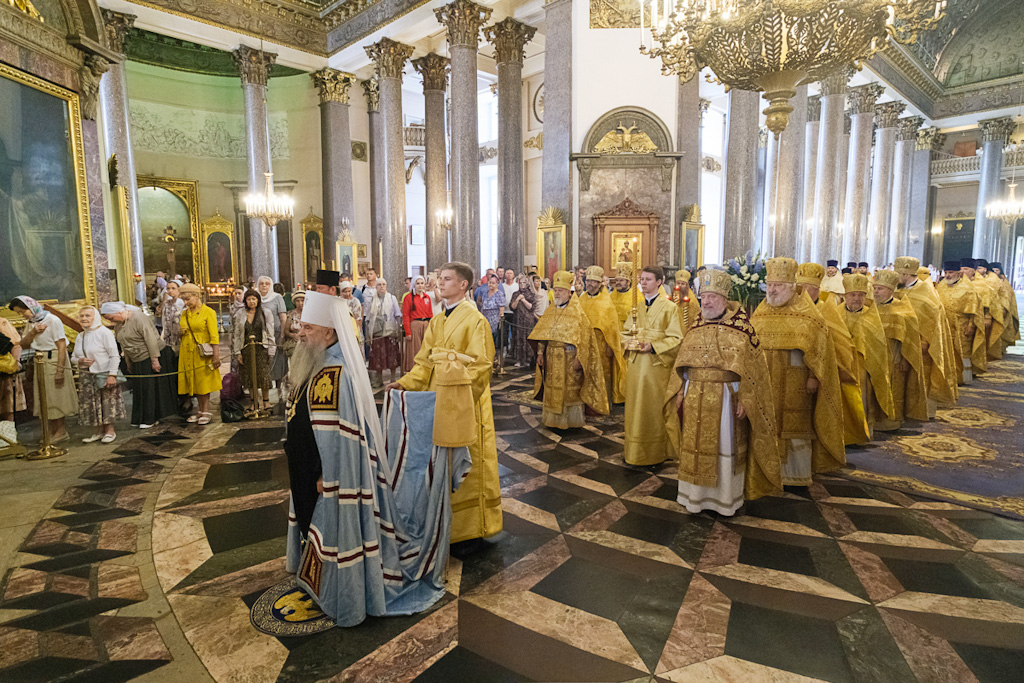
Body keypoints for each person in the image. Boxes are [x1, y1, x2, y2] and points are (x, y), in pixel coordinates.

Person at [284, 291, 457, 626]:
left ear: (329, 333)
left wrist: (328, 477)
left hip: (326, 480)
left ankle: (340, 591)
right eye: (299, 325)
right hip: (305, 472)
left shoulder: (337, 374)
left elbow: (342, 441)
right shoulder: (314, 361)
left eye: (307, 326)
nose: (299, 332)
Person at [390, 262, 502, 543]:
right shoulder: (437, 321)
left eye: (448, 279)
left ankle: (470, 529)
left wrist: (455, 395)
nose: (440, 283)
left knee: (468, 462)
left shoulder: (475, 320)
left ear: (463, 285)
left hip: (463, 404)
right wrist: (405, 383)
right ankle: (442, 524)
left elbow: (481, 366)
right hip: (436, 402)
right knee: (438, 462)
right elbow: (424, 362)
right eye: (440, 278)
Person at [664, 269, 782, 515]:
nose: (706, 302)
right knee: (694, 448)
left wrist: (746, 399)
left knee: (723, 447)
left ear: (724, 299)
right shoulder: (695, 326)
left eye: (712, 297)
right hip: (695, 393)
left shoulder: (742, 329)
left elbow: (754, 371)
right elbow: (683, 364)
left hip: (727, 397)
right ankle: (693, 497)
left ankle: (724, 501)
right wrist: (680, 391)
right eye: (703, 296)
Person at [751, 258, 845, 487]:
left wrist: (814, 377)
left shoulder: (809, 313)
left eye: (778, 285)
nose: (772, 290)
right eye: (770, 284)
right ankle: (766, 468)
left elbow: (820, 348)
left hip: (797, 380)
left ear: (792, 287)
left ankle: (795, 475)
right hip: (766, 380)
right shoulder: (761, 312)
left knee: (795, 426)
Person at [796, 263, 869, 445]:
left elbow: (840, 344)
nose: (803, 293)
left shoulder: (827, 311)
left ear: (817, 289)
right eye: (800, 288)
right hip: (796, 371)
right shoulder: (794, 309)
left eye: (808, 288)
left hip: (825, 371)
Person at [529, 271, 609, 429]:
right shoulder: (551, 310)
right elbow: (543, 334)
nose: (557, 293)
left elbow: (585, 339)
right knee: (552, 390)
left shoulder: (577, 312)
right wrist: (540, 352)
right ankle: (553, 420)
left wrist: (580, 358)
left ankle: (570, 422)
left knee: (569, 392)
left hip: (569, 358)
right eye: (555, 290)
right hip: (552, 356)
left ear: (569, 292)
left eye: (560, 290)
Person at [622, 266, 683, 466]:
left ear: (659, 281)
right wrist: (628, 343)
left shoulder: (670, 308)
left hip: (656, 369)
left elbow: (676, 338)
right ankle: (633, 451)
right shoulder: (636, 307)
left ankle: (656, 452)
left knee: (654, 410)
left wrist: (654, 346)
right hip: (636, 366)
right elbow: (624, 333)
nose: (643, 282)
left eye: (648, 279)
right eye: (641, 279)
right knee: (634, 410)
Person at [893, 256, 957, 415]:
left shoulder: (926, 291)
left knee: (922, 378)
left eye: (897, 273)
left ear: (906, 274)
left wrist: (926, 341)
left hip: (921, 343)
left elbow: (933, 319)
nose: (895, 276)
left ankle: (924, 411)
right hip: (900, 341)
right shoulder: (897, 289)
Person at [100, 301, 178, 429]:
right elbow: (124, 344)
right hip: (137, 360)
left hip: (151, 356)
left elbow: (150, 338)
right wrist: (129, 362)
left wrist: (154, 360)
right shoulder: (119, 324)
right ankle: (140, 417)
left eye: (111, 318)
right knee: (139, 390)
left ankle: (150, 418)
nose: (111, 321)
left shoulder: (139, 318)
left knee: (149, 389)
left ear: (118, 312)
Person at [9, 296, 77, 442]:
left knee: (56, 396)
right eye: (19, 313)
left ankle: (61, 430)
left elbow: (61, 345)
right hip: (40, 361)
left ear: (30, 307)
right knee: (44, 397)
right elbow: (24, 344)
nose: (22, 315)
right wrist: (33, 332)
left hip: (53, 358)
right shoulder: (31, 323)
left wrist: (60, 370)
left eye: (22, 311)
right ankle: (51, 430)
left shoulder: (52, 320)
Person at [840, 274, 895, 440]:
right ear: (845, 296)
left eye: (861, 295)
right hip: (841, 367)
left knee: (862, 401)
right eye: (853, 295)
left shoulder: (872, 317)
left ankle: (862, 433)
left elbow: (878, 346)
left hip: (863, 367)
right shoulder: (835, 315)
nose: (857, 299)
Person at [873, 270, 928, 430]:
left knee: (894, 389)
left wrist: (905, 359)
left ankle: (892, 421)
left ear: (890, 290)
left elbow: (910, 340)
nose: (876, 292)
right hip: (875, 358)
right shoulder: (870, 309)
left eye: (880, 289)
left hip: (895, 359)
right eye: (875, 288)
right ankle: (874, 421)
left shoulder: (903, 311)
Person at [71, 305, 125, 444]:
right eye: (82, 316)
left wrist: (112, 375)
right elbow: (73, 357)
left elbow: (114, 356)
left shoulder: (104, 333)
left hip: (104, 374)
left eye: (87, 315)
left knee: (107, 403)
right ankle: (98, 431)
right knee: (92, 404)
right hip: (87, 375)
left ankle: (110, 431)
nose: (84, 318)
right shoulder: (80, 335)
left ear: (95, 317)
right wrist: (80, 360)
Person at [579, 266, 627, 405]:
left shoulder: (606, 302)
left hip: (601, 346)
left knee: (601, 374)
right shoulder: (581, 300)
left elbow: (612, 327)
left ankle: (602, 403)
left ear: (600, 284)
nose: (590, 284)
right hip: (584, 344)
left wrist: (611, 346)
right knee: (585, 373)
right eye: (588, 281)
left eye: (593, 281)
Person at [178, 283, 222, 424]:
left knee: (203, 381)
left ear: (196, 296)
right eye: (183, 300)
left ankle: (206, 410)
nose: (185, 303)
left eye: (188, 299)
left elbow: (214, 336)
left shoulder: (208, 312)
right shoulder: (185, 313)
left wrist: (216, 355)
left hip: (202, 351)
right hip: (187, 350)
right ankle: (199, 410)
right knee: (193, 380)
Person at [937, 260, 986, 381]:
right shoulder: (941, 286)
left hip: (961, 325)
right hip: (944, 324)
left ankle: (961, 378)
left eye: (951, 272)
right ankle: (946, 378)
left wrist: (970, 326)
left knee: (962, 351)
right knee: (945, 351)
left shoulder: (968, 288)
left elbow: (974, 310)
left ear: (959, 273)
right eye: (946, 272)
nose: (947, 275)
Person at [232, 289, 276, 407]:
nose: (252, 301)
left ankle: (266, 402)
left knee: (263, 375)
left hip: (261, 348)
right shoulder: (240, 314)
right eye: (249, 299)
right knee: (250, 375)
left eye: (254, 299)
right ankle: (253, 401)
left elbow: (270, 332)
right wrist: (238, 352)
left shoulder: (265, 313)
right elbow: (237, 334)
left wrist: (271, 350)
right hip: (246, 348)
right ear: (245, 301)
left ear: (258, 300)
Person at [365, 277, 402, 387]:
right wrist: (367, 334)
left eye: (383, 285)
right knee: (378, 357)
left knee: (392, 356)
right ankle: (379, 379)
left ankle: (392, 377)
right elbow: (367, 318)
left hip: (389, 331)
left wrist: (399, 329)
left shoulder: (391, 298)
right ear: (376, 287)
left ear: (386, 286)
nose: (381, 287)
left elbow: (397, 314)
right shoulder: (372, 299)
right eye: (379, 285)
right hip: (376, 332)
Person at [259, 276, 289, 397]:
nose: (264, 286)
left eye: (267, 283)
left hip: (276, 333)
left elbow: (283, 317)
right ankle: (264, 389)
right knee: (263, 362)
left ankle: (278, 390)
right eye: (261, 284)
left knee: (278, 362)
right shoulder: (255, 297)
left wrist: (282, 335)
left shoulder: (276, 298)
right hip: (260, 334)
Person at [0, 315, 25, 442]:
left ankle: (8, 441)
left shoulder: (2, 323)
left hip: (3, 372)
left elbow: (16, 345)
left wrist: (15, 362)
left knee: (6, 407)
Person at [402, 275, 433, 373]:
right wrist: (408, 332)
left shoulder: (427, 297)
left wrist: (431, 328)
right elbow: (406, 315)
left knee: (426, 348)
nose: (420, 286)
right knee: (415, 349)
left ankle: (425, 369)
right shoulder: (408, 297)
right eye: (418, 283)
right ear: (413, 285)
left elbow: (430, 314)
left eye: (422, 283)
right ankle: (414, 371)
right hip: (415, 325)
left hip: (426, 324)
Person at [479, 274, 506, 351]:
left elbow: (501, 309)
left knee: (494, 339)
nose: (491, 284)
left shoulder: (499, 294)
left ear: (497, 284)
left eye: (493, 283)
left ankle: (495, 357)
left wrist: (500, 321)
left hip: (495, 319)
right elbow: (482, 306)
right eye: (489, 282)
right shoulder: (485, 293)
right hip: (485, 317)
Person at [672, 268, 701, 335]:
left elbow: (695, 318)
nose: (680, 286)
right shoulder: (670, 297)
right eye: (678, 283)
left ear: (687, 285)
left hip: (686, 332)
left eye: (683, 284)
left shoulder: (692, 300)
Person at [281, 291, 303, 360]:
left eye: (302, 301)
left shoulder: (310, 314)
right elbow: (286, 331)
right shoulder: (291, 314)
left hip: (308, 345)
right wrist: (292, 335)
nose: (300, 303)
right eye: (297, 301)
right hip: (294, 346)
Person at [500, 269, 518, 354]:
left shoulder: (517, 286)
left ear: (513, 275)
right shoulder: (502, 286)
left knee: (514, 332)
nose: (509, 275)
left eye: (511, 273)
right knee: (504, 332)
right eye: (507, 273)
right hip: (504, 312)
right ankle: (505, 349)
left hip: (514, 312)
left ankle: (513, 350)